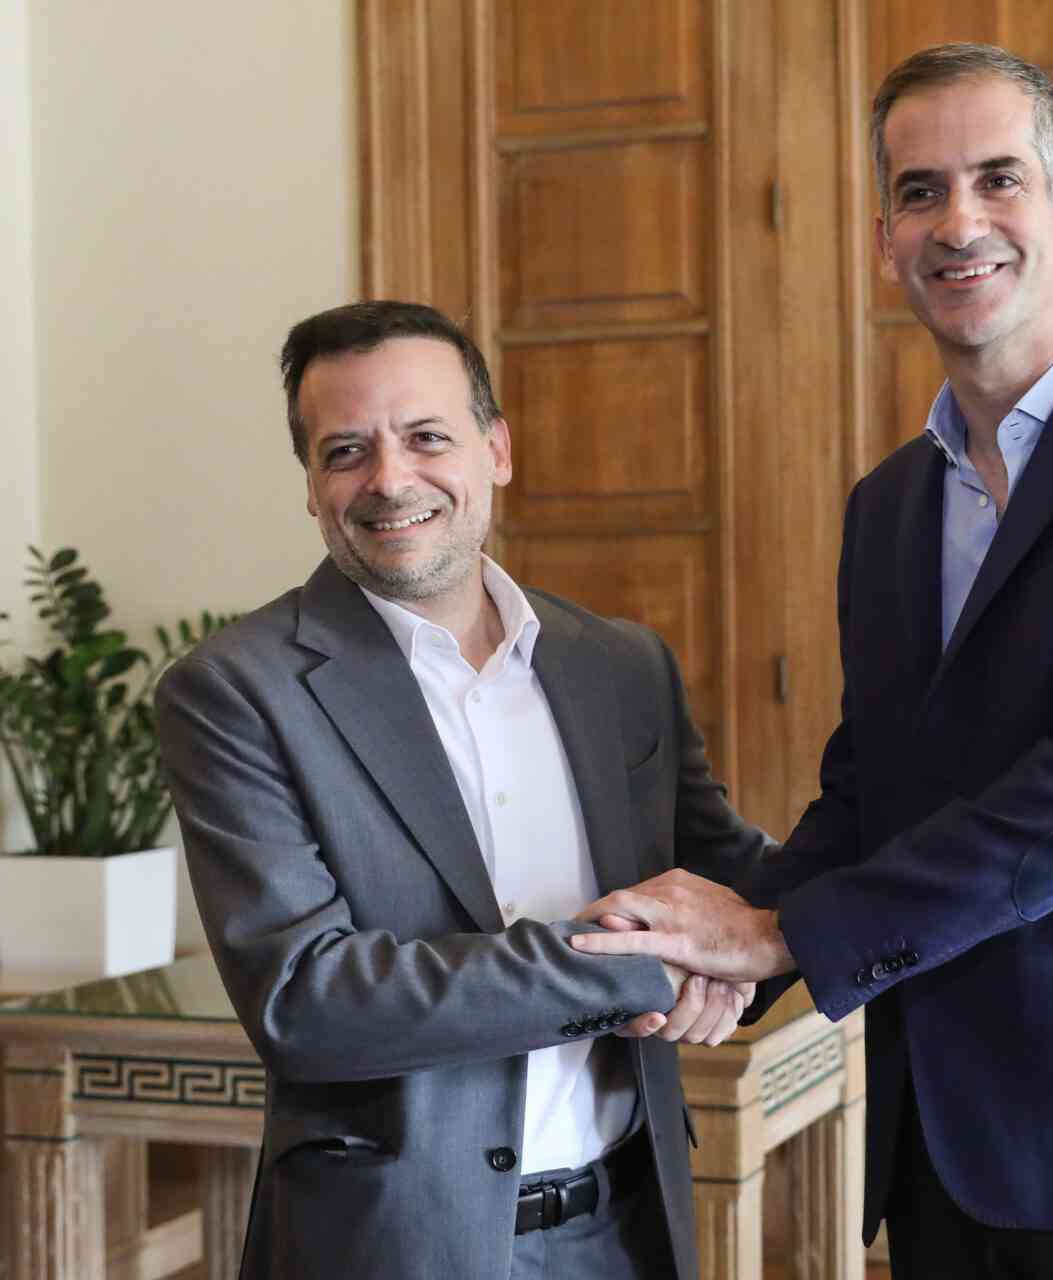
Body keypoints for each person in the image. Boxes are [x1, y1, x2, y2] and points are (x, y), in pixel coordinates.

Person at [570, 42, 1053, 1278]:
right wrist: (729, 940)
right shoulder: (888, 506)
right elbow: (872, 791)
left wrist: (785, 935)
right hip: (944, 1134)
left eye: (999, 179)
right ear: (886, 241)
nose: (959, 222)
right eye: (920, 192)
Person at [154, 300, 768, 1279]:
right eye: (345, 450)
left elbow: (731, 879)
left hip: (629, 1228)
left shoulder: (621, 666)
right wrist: (650, 967)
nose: (389, 479)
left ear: (497, 450)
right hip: (394, 1246)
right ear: (311, 486)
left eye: (426, 436)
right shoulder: (235, 691)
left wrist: (801, 926)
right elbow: (308, 1001)